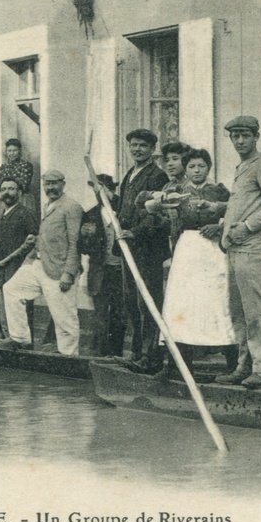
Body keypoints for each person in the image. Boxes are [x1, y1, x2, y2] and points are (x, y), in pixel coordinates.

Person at [215, 116, 261, 389]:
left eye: (245, 135)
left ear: (256, 136)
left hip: (253, 248)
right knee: (239, 311)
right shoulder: (243, 167)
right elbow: (243, 204)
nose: (240, 141)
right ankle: (244, 365)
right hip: (236, 248)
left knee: (256, 310)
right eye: (235, 136)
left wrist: (245, 227)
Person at [157, 149, 234, 377]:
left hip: (212, 251)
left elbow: (235, 212)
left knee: (218, 302)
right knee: (182, 304)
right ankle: (178, 365)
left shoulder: (219, 190)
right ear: (186, 169)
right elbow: (153, 206)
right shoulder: (177, 192)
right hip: (187, 250)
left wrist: (220, 227)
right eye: (191, 166)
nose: (196, 170)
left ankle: (233, 364)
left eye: (201, 166)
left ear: (208, 168)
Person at [0, 170, 84, 355]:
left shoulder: (71, 207)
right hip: (39, 264)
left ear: (63, 184)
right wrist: (28, 261)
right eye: (47, 184)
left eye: (54, 183)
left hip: (59, 269)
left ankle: (69, 356)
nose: (50, 187)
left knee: (64, 318)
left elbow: (76, 243)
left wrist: (69, 273)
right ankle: (19, 339)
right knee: (11, 289)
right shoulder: (49, 205)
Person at [117, 128, 171, 373]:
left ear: (152, 149)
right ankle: (136, 353)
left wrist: (135, 232)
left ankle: (151, 357)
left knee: (148, 301)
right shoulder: (129, 174)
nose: (137, 149)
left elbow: (155, 214)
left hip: (148, 248)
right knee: (131, 301)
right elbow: (123, 210)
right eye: (133, 145)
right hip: (129, 247)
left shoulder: (157, 176)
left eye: (142, 146)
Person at [79, 174, 125, 357]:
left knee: (119, 314)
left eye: (102, 188)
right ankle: (100, 353)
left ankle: (117, 353)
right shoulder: (90, 214)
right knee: (100, 314)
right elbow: (82, 247)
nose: (98, 192)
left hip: (121, 271)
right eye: (95, 189)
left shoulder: (124, 210)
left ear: (110, 189)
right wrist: (87, 238)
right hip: (99, 271)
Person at [0, 177, 40, 336]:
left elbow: (35, 242)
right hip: (4, 268)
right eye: (3, 189)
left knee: (21, 309)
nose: (7, 193)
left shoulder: (26, 214)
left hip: (19, 269)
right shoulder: (2, 215)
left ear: (19, 192)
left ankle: (25, 346)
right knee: (6, 309)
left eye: (11, 189)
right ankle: (9, 340)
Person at [0, 138, 35, 211]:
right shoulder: (4, 167)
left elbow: (24, 184)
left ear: (19, 151)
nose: (12, 153)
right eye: (9, 151)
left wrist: (4, 182)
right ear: (6, 152)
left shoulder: (26, 165)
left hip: (22, 199)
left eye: (15, 150)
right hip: (6, 199)